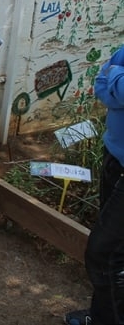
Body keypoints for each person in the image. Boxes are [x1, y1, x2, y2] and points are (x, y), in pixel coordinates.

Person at [65, 44, 124, 325]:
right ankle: (102, 315)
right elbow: (102, 83)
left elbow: (111, 79)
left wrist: (114, 76)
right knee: (116, 252)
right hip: (115, 154)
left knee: (103, 254)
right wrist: (114, 77)